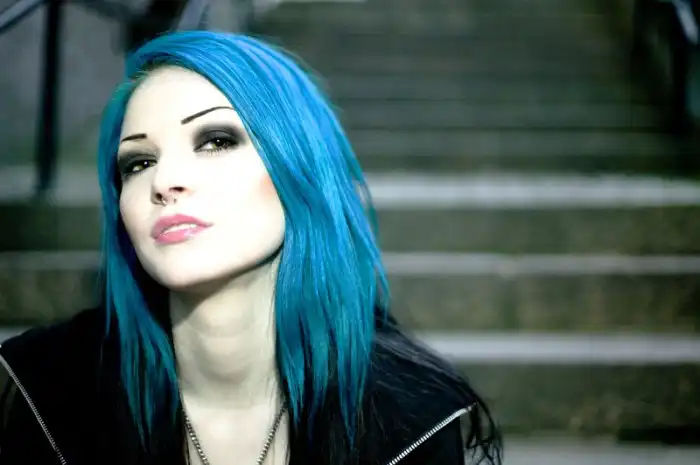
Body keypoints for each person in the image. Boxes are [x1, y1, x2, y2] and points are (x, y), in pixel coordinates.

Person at [0, 31, 502, 465]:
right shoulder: (52, 391)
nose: (164, 181)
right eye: (138, 163)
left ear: (299, 169)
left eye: (217, 140)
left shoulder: (409, 418)